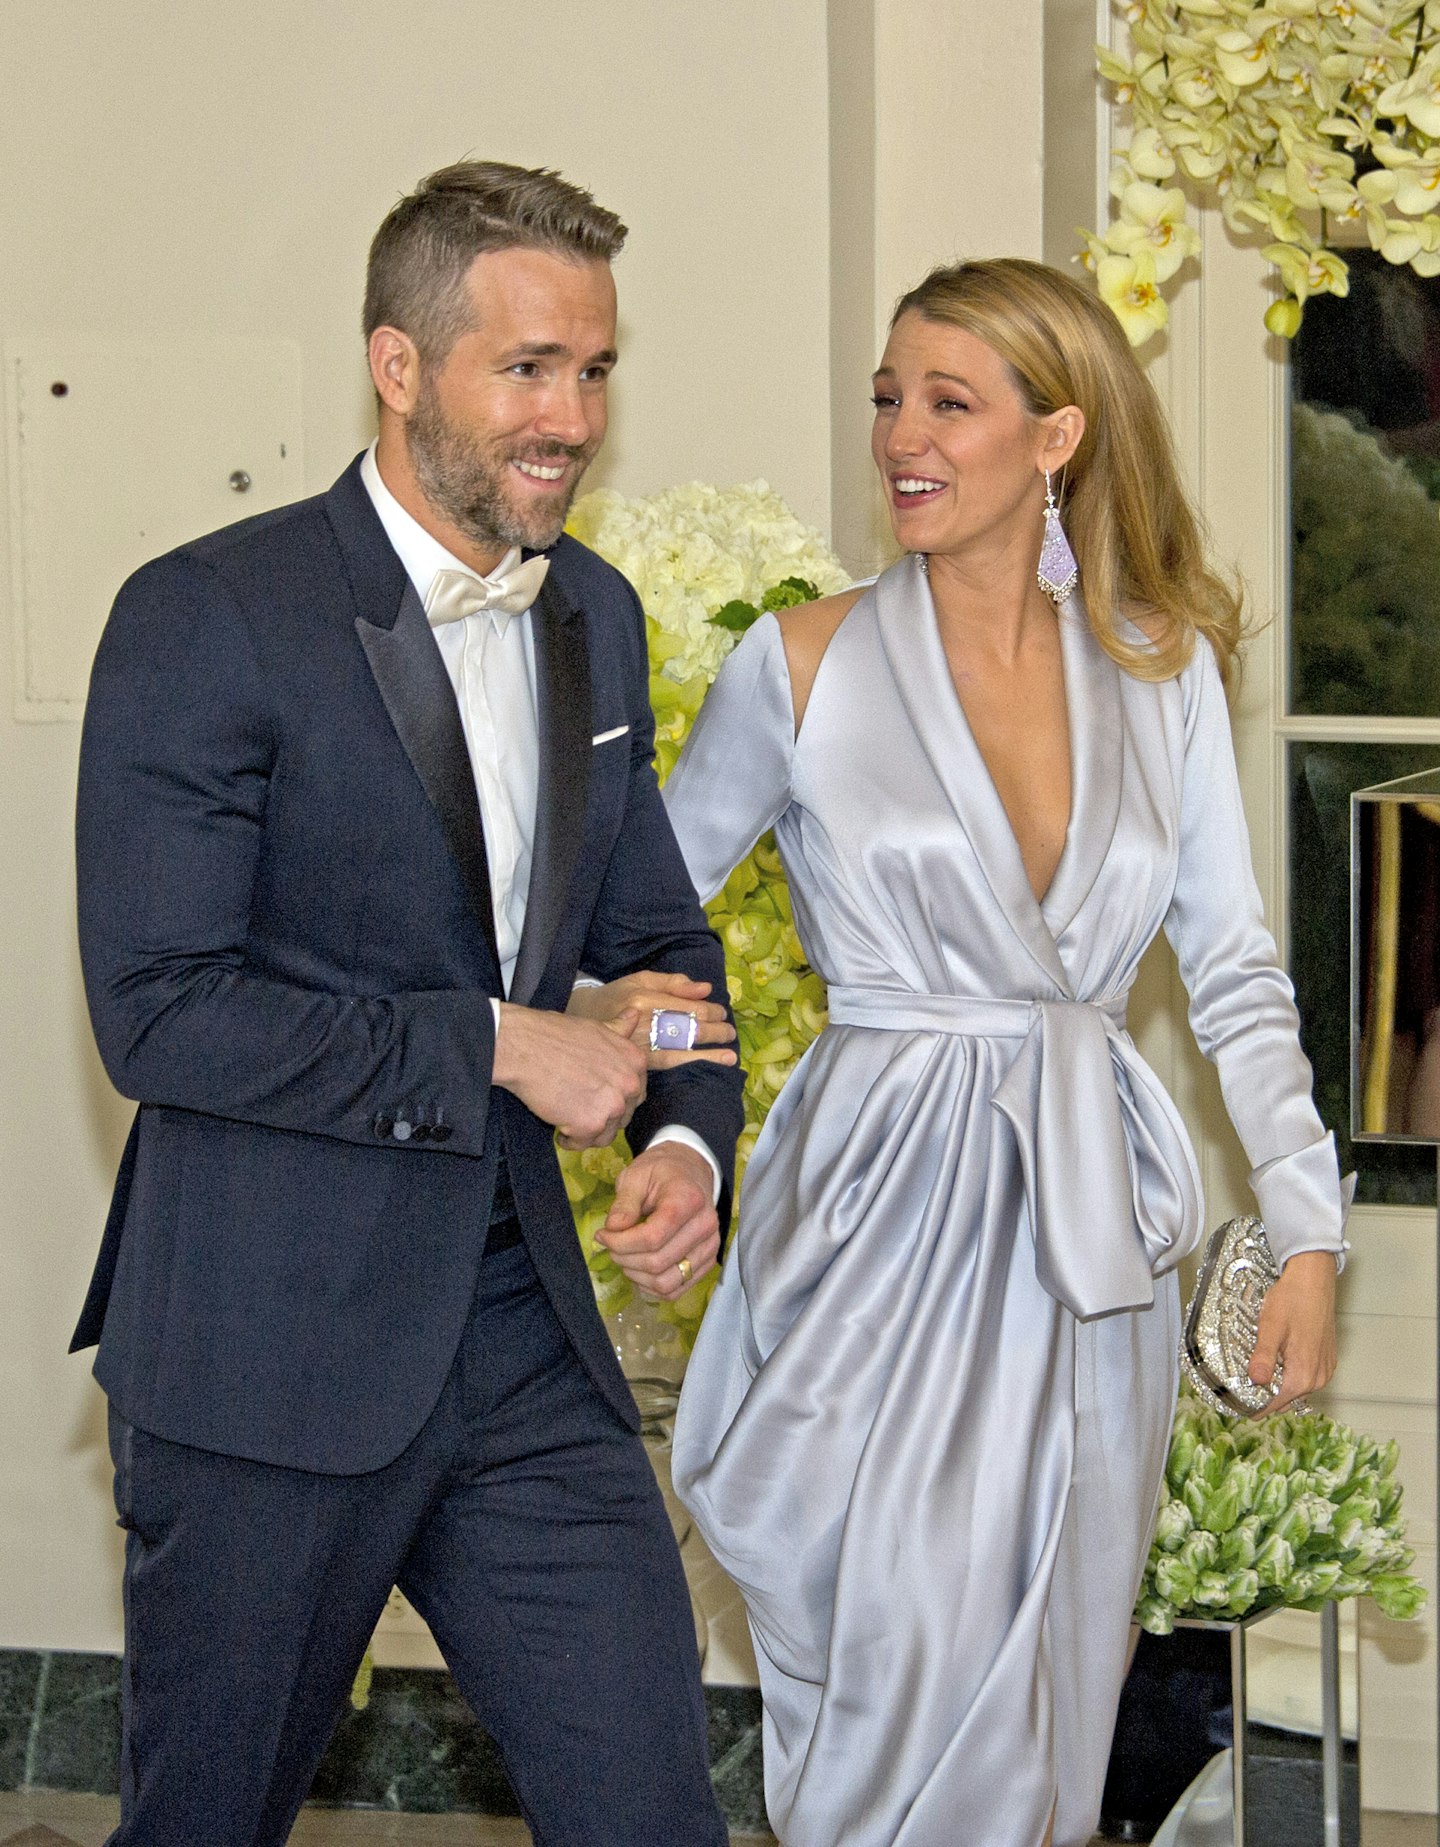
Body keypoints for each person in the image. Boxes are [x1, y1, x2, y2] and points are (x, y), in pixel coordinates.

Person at [587, 258, 1349, 1847]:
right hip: (870, 1223)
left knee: (1051, 1691)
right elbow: (633, 928)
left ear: (1058, 434)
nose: (900, 437)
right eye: (886, 398)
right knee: (894, 1648)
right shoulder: (799, 664)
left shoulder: (1165, 672)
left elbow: (1231, 964)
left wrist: (1305, 1218)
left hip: (1090, 1249)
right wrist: (665, 1126)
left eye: (950, 401)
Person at [71, 160, 745, 1847]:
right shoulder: (201, 617)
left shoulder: (591, 610)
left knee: (652, 1809)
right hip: (263, 1355)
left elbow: (667, 949)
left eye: (594, 370)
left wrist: (685, 1135)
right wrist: (498, 1043)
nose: (572, 415)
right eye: (526, 368)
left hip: (524, 1343)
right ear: (397, 364)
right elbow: (159, 1013)